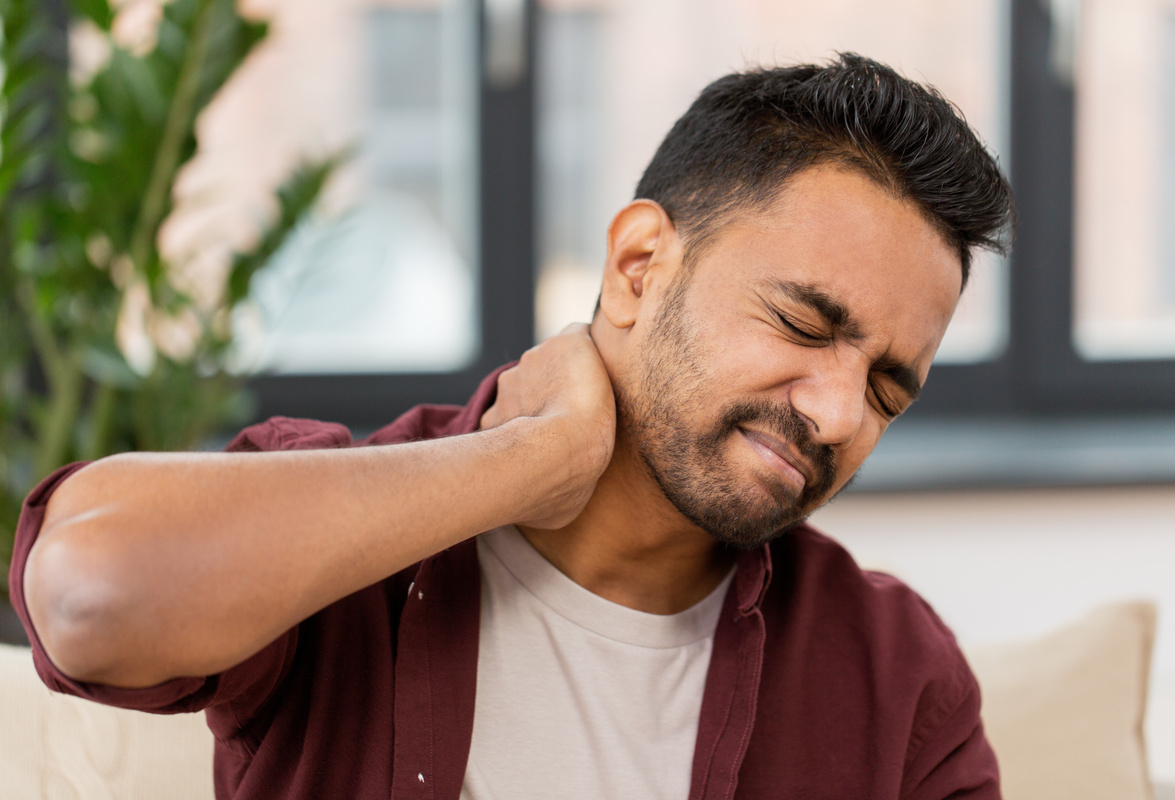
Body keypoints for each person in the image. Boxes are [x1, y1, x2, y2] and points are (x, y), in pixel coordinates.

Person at [11, 54, 1014, 799]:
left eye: (888, 387)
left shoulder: (896, 672)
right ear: (637, 267)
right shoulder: (333, 540)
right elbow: (89, 594)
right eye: (801, 322)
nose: (838, 413)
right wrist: (530, 457)